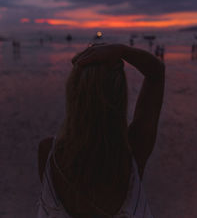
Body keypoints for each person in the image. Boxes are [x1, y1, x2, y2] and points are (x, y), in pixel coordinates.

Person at [37, 43, 165, 217]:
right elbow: (156, 72)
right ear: (120, 98)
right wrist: (121, 50)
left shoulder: (49, 155)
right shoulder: (133, 153)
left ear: (74, 94)